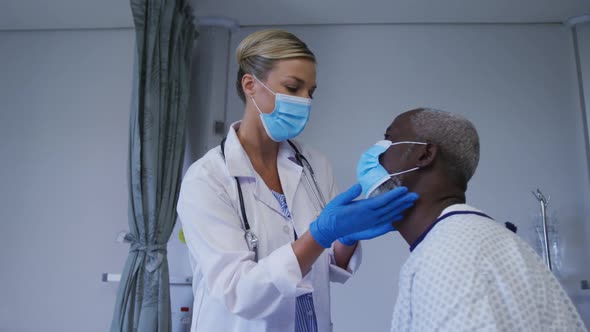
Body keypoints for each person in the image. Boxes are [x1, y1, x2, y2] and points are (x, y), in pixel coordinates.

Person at [176, 29, 418, 332]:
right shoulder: (207, 179)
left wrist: (346, 236)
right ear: (250, 85)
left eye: (310, 92)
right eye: (293, 87)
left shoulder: (314, 164)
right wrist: (320, 234)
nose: (305, 101)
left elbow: (325, 265)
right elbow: (238, 291)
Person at [355, 108, 587, 331]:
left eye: (387, 139)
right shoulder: (479, 240)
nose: (375, 154)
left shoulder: (449, 257)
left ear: (424, 154)